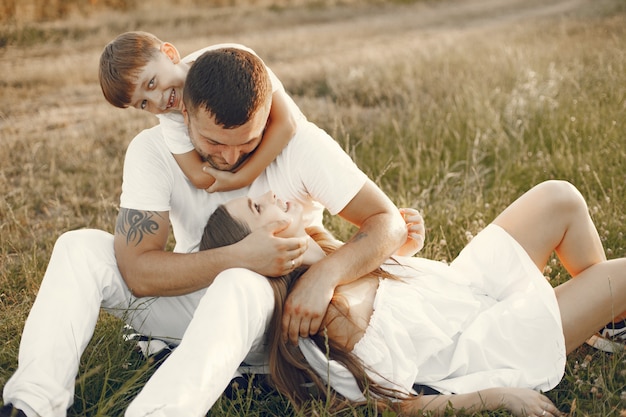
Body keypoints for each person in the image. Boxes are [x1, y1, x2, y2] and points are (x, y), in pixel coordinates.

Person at [0, 46, 416, 417]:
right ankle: (33, 403)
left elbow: (387, 221)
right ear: (184, 114)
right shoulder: (154, 151)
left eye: (247, 142)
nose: (231, 156)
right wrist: (238, 256)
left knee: (241, 282)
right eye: (214, 143)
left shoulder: (298, 142)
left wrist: (324, 278)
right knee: (78, 247)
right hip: (193, 296)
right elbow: (138, 272)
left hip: (282, 313)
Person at [199, 180, 626, 417]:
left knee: (560, 197)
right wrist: (500, 397)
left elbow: (401, 303)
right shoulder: (330, 324)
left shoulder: (337, 260)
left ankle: (605, 323)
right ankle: (599, 312)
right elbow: (401, 406)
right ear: (260, 251)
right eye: (258, 208)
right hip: (490, 338)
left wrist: (403, 255)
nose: (272, 195)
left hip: (469, 287)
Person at [99, 31, 298, 192]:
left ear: (169, 54)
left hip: (291, 150)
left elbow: (286, 123)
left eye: (151, 83)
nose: (157, 102)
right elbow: (198, 176)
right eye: (143, 103)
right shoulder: (170, 118)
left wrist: (243, 178)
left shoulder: (232, 60)